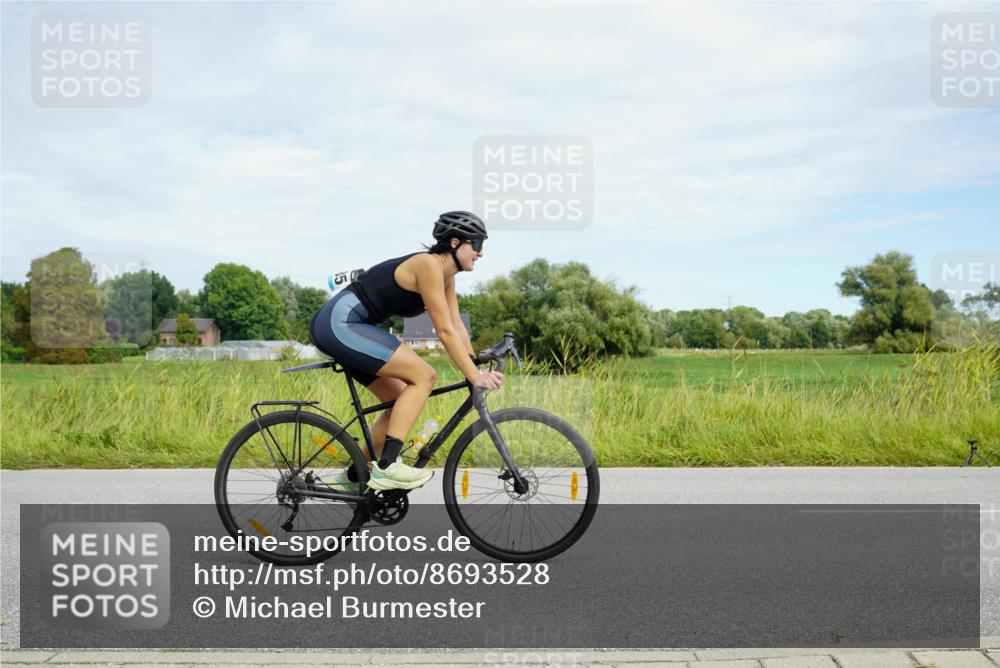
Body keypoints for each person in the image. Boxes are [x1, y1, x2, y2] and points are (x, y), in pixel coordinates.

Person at [309, 211, 504, 491]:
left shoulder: (446, 276)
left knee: (400, 399)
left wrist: (475, 364)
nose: (480, 253)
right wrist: (474, 375)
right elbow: (444, 331)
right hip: (338, 324)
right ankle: (388, 467)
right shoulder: (428, 265)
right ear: (454, 243)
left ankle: (354, 478)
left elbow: (457, 327)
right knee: (424, 376)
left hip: (350, 327)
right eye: (477, 244)